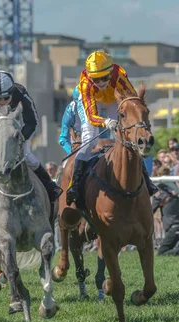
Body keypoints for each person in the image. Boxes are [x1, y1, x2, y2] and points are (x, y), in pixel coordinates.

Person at [66, 51, 158, 208]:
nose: (101, 82)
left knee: (129, 137)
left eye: (104, 77)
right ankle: (74, 184)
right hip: (93, 103)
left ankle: (146, 180)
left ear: (111, 72)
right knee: (89, 139)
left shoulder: (119, 75)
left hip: (112, 100)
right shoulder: (86, 85)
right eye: (97, 79)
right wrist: (106, 122)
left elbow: (131, 101)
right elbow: (93, 116)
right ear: (90, 77)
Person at [0, 70, 63, 214]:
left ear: (12, 92)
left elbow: (32, 122)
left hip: (16, 129)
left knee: (27, 157)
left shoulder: (21, 95)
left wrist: (19, 140)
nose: (1, 102)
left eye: (6, 98)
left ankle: (50, 187)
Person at [59, 86, 82, 155]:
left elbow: (105, 136)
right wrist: (71, 152)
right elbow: (63, 139)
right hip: (76, 145)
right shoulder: (70, 110)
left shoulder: (97, 107)